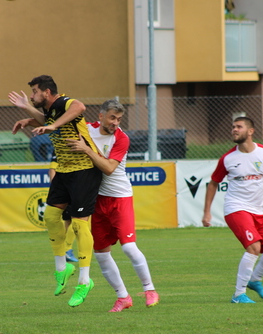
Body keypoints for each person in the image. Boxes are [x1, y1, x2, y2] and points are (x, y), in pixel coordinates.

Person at [9, 75, 102, 307]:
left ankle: (84, 281)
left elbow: (79, 107)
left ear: (47, 92)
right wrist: (28, 113)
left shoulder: (63, 103)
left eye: (34, 92)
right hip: (64, 170)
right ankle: (62, 268)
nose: (32, 95)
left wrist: (51, 125)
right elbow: (46, 119)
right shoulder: (52, 111)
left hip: (84, 170)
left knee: (80, 225)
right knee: (50, 216)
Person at [66, 99, 160, 312]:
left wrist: (87, 150)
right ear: (100, 116)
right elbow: (58, 124)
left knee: (129, 247)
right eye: (112, 118)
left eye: (119, 119)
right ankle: (123, 297)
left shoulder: (121, 139)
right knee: (100, 253)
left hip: (120, 198)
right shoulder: (87, 129)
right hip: (97, 200)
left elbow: (108, 168)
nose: (115, 123)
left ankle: (150, 289)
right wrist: (30, 117)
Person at [202, 117, 263, 304]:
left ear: (250, 131)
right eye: (232, 127)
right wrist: (207, 212)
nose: (234, 130)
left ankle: (255, 280)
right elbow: (213, 183)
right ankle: (238, 295)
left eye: (238, 127)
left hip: (258, 211)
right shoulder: (228, 158)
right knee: (254, 247)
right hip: (235, 209)